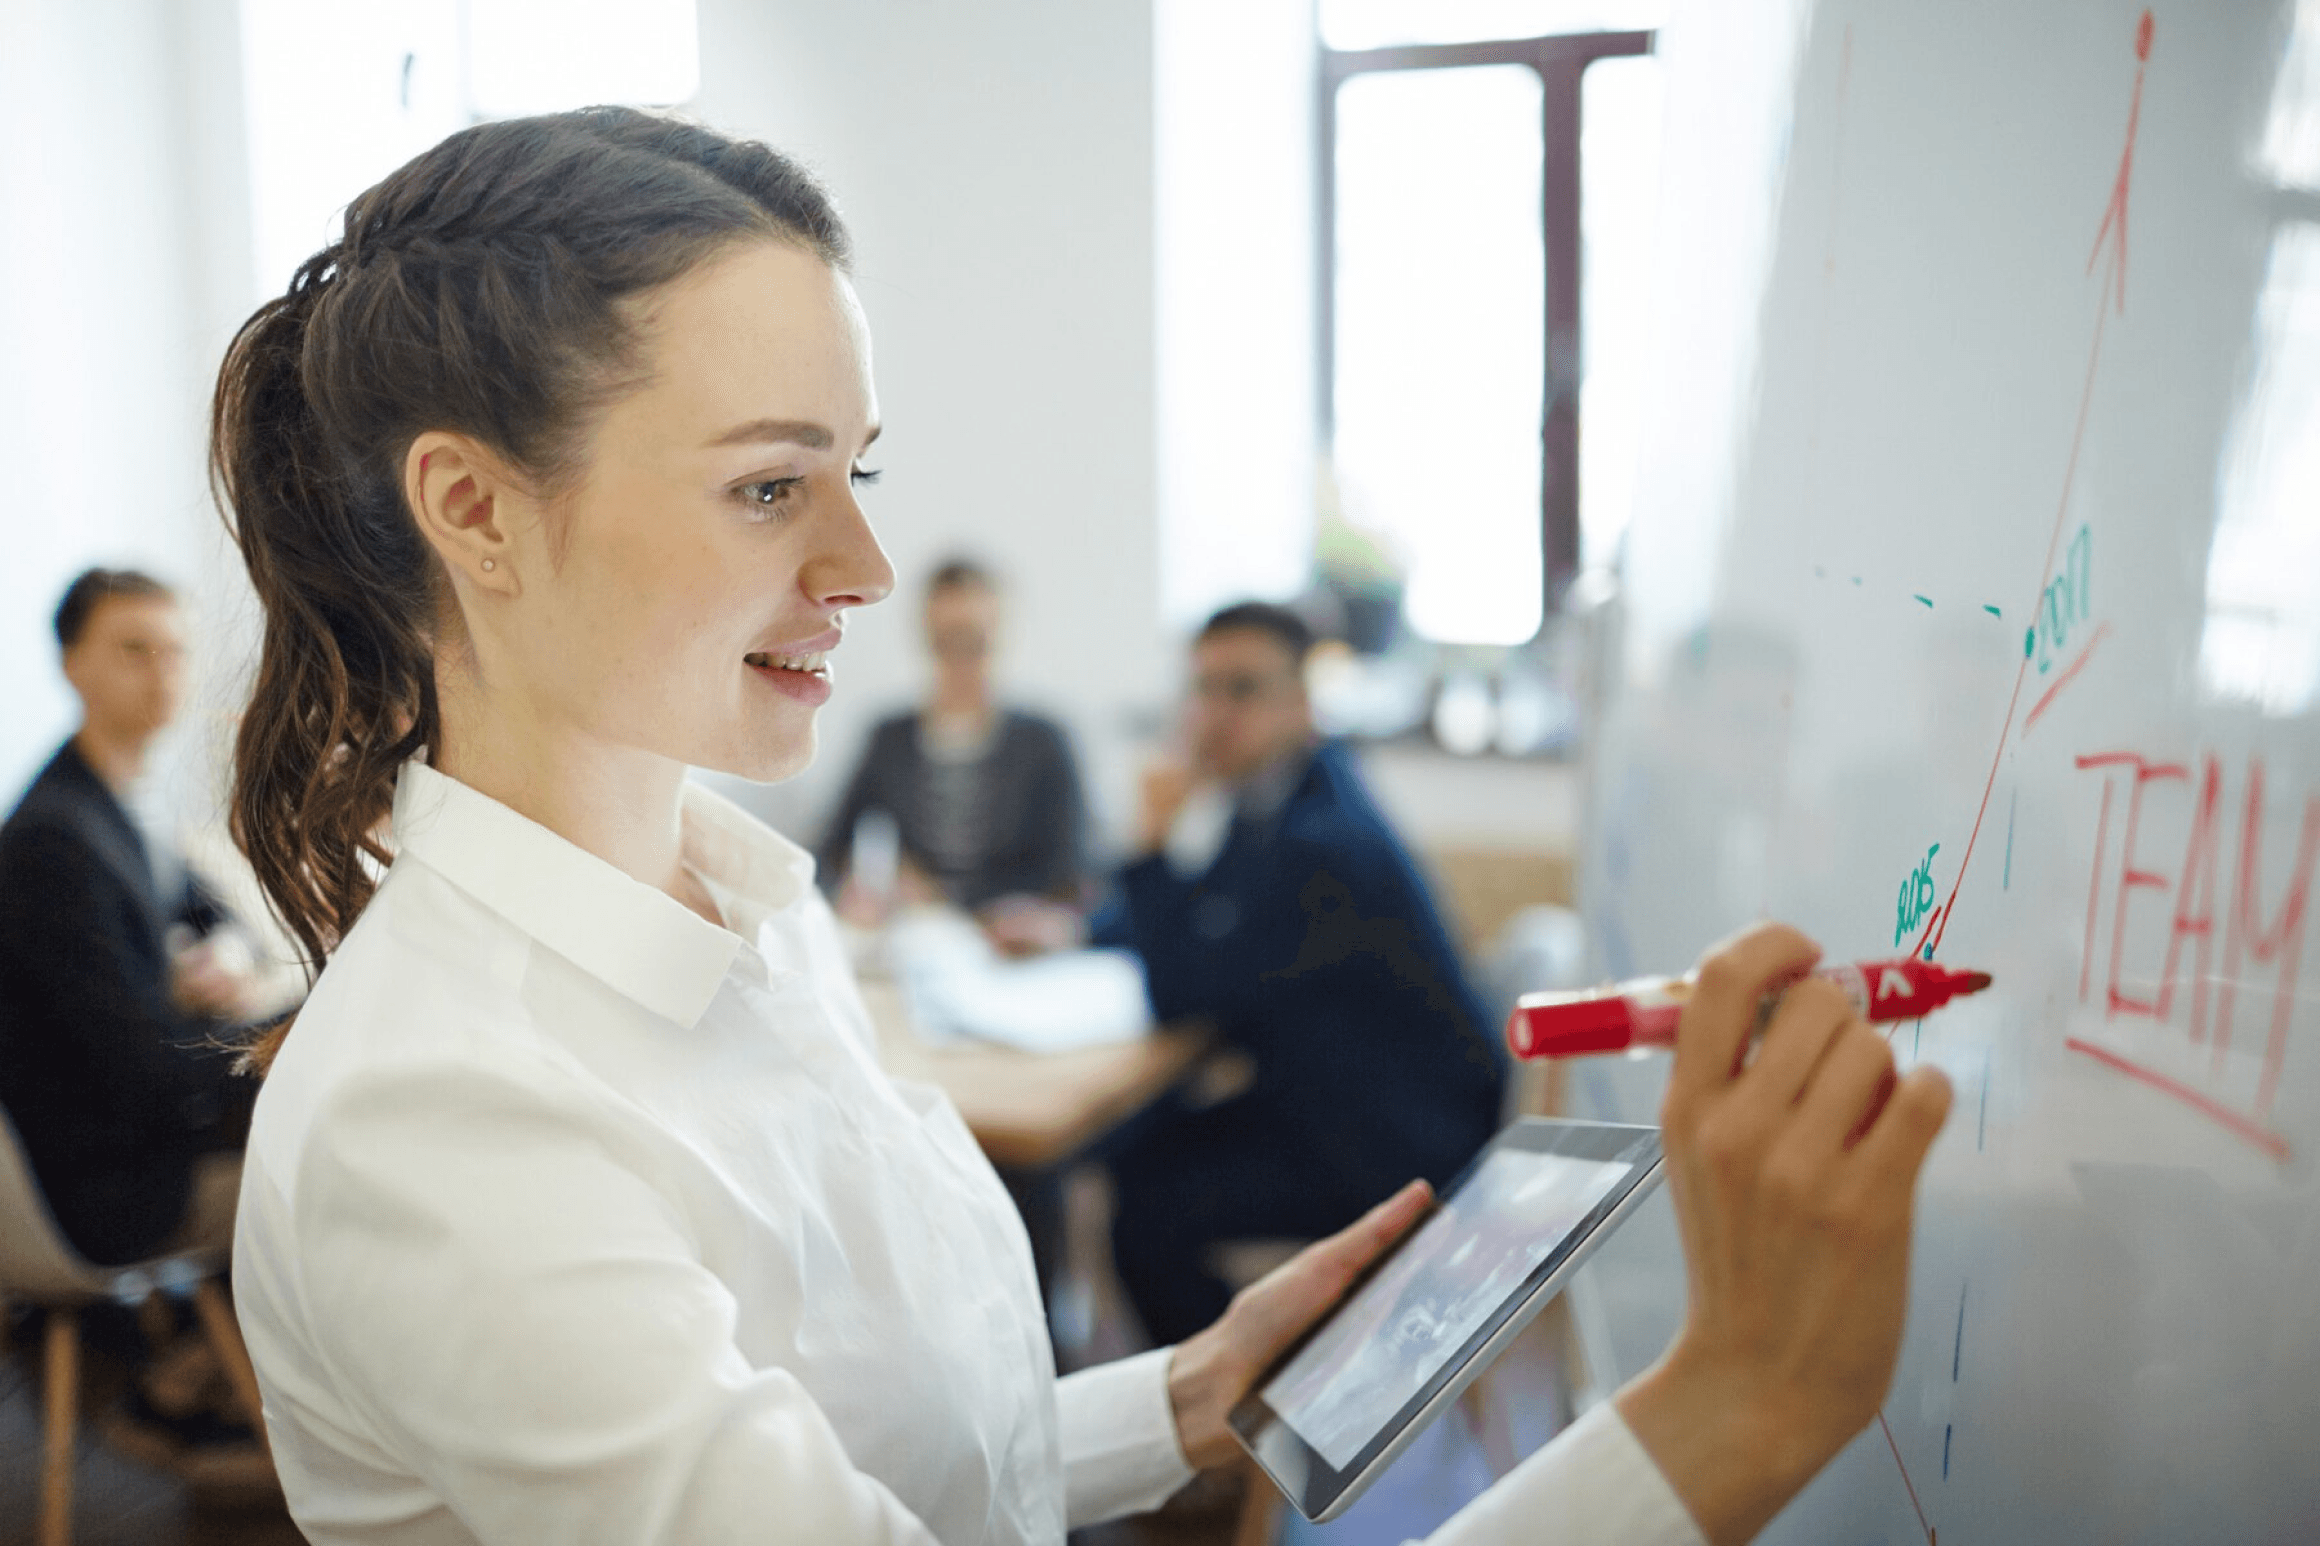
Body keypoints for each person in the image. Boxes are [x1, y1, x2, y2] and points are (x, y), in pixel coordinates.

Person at [214, 106, 1951, 1546]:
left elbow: (869, 1449)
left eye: (856, 475)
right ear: (474, 510)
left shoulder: (752, 914)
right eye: (768, 486)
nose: (865, 572)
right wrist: (1731, 1415)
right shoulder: (435, 1115)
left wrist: (1176, 1401)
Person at [1092, 601, 1505, 1345]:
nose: (1213, 715)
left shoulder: (1321, 845)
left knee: (1146, 1203)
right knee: (1132, 1143)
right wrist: (1084, 925)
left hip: (1395, 1147)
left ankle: (1227, 1413)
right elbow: (1211, 919)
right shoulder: (1287, 796)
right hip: (1341, 1105)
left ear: (1300, 704)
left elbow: (1186, 993)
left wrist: (1148, 846)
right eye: (1203, 689)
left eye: (1242, 690)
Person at [0, 568, 261, 1267]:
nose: (163, 673)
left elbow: (219, 917)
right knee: (329, 1160)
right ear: (71, 663)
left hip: (143, 1136)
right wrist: (280, 1039)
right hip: (112, 1186)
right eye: (134, 650)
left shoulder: (124, 804)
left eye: (176, 652)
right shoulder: (54, 838)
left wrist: (229, 956)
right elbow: (147, 1075)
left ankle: (200, 1364)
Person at [817, 558, 1088, 955]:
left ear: (1000, 635)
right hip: (918, 938)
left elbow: (1071, 870)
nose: (960, 661)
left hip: (1013, 944)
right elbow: (831, 850)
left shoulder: (1045, 742)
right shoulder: (889, 739)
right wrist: (855, 891)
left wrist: (946, 898)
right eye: (946, 642)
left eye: (974, 642)